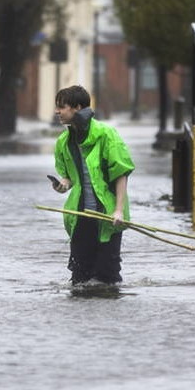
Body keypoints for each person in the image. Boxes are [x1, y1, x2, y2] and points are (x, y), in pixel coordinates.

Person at [51, 85, 135, 284]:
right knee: (79, 277)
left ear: (77, 108)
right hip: (80, 215)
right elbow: (69, 178)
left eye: (62, 107)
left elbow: (121, 173)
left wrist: (118, 211)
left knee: (108, 275)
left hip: (108, 215)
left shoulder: (106, 134)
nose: (57, 112)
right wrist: (62, 185)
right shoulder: (64, 141)